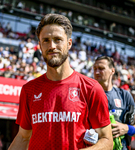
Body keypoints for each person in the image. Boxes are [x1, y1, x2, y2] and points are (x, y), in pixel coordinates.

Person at [8, 14, 113, 150]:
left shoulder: (91, 88)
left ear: (69, 43)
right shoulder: (29, 90)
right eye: (46, 40)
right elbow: (23, 137)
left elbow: (107, 141)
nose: (52, 46)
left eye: (58, 40)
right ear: (40, 45)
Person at [93, 56, 135, 150]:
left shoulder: (125, 96)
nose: (96, 72)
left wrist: (127, 128)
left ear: (112, 71)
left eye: (101, 68)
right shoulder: (88, 95)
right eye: (95, 69)